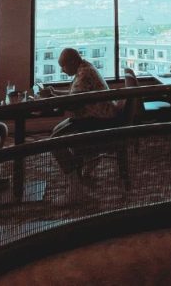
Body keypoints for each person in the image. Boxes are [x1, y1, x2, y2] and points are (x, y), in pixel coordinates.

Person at [42, 48, 119, 197]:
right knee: (58, 130)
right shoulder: (84, 68)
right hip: (98, 116)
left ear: (72, 62)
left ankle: (75, 188)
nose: (62, 70)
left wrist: (50, 97)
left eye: (63, 66)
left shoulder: (84, 74)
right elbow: (75, 95)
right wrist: (55, 93)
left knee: (54, 142)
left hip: (99, 121)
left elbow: (73, 103)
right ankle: (86, 164)